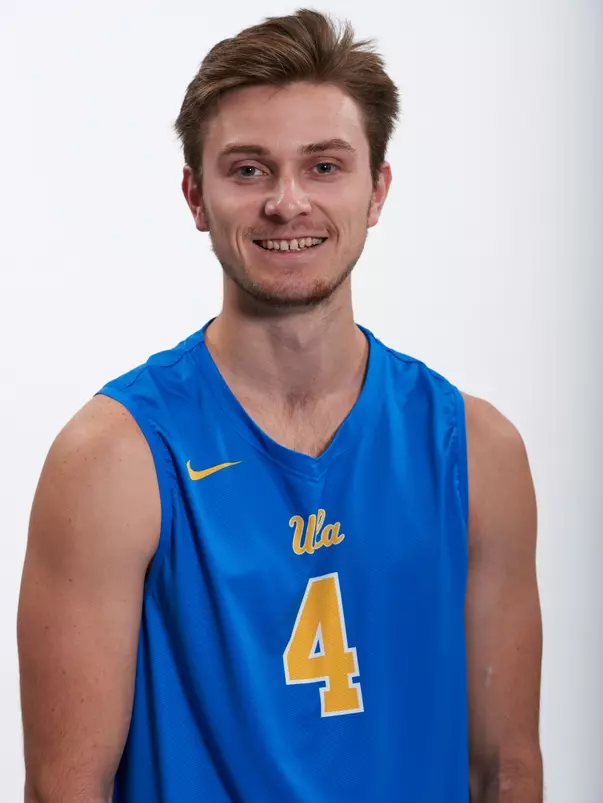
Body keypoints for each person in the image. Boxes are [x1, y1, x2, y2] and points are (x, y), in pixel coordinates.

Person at [17, 8, 543, 803]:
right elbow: (66, 787)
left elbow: (504, 770)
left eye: (324, 166)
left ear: (377, 189)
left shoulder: (473, 448)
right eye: (248, 169)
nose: (286, 201)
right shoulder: (114, 457)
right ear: (196, 196)